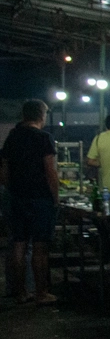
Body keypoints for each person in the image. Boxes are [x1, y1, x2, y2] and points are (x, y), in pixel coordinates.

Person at [0, 100, 58, 304]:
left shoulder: (12, 137)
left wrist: (12, 189)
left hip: (16, 197)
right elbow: (50, 170)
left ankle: (21, 292)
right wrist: (55, 196)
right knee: (40, 247)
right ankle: (41, 293)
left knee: (18, 245)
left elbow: (4, 172)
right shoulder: (44, 138)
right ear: (41, 115)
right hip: (39, 197)